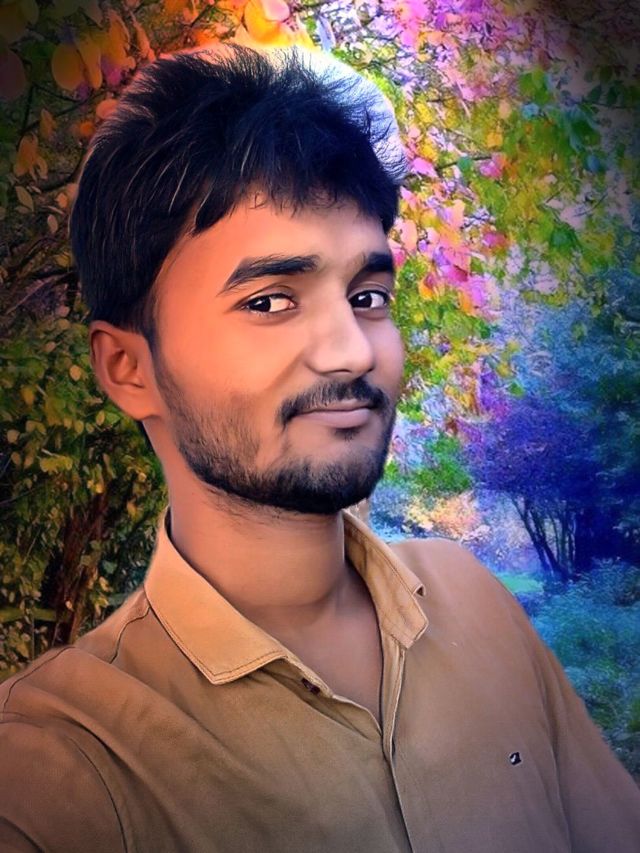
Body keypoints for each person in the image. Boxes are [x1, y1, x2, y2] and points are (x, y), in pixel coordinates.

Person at [1, 42, 638, 853]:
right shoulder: (58, 764)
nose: (351, 350)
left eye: (367, 295)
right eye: (271, 301)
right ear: (130, 369)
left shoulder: (474, 601)